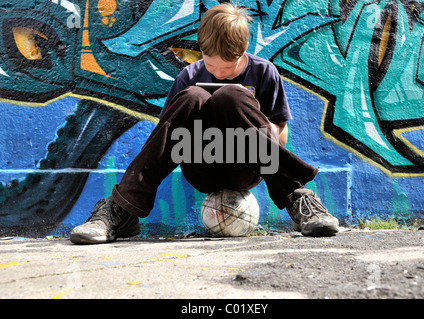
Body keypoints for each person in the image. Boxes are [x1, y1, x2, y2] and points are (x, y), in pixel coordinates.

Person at [70, 3, 339, 244]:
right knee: (193, 96)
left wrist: (257, 128)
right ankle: (122, 211)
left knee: (231, 95)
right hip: (200, 162)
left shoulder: (263, 72)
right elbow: (165, 138)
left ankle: (297, 199)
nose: (219, 72)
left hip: (245, 164)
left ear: (243, 50)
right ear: (201, 51)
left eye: (228, 67)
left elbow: (282, 135)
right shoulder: (189, 75)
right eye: (212, 66)